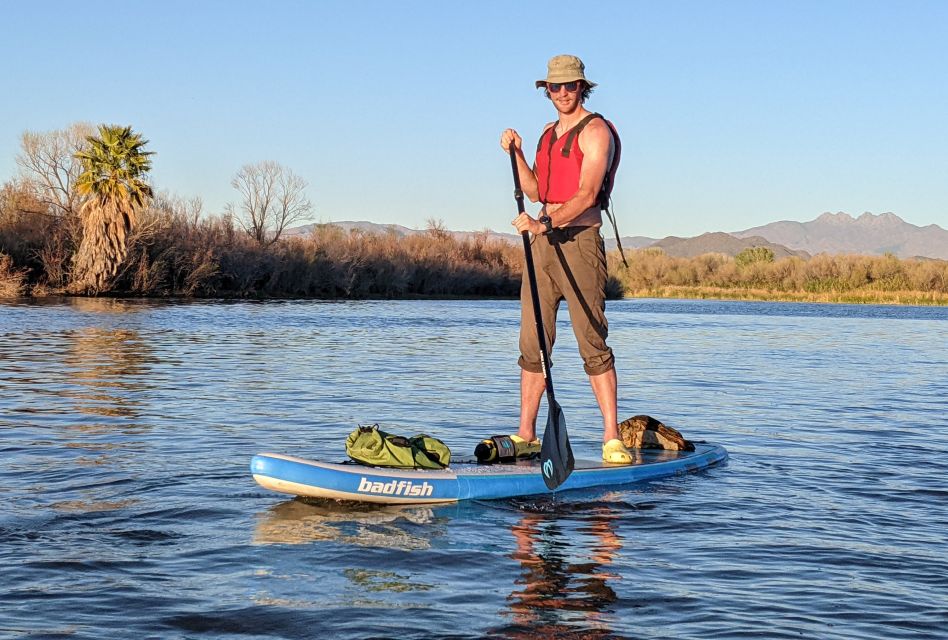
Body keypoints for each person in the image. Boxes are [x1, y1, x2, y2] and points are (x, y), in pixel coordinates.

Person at [500, 54, 632, 464]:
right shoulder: (546, 134)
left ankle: (611, 437)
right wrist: (518, 153)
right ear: (547, 91)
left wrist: (544, 224)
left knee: (591, 338)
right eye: (554, 87)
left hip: (579, 242)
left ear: (582, 87)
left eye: (569, 86)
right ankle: (526, 434)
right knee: (533, 340)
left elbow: (588, 194)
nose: (561, 93)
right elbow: (537, 191)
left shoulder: (596, 132)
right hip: (542, 245)